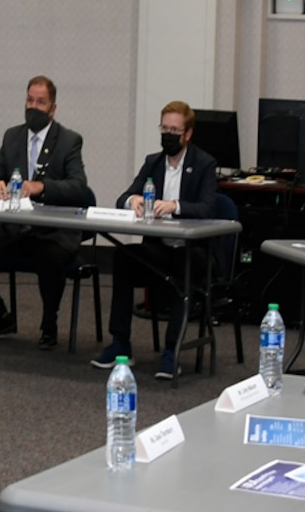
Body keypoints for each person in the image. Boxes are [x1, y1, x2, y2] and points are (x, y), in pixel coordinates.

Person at [0, 76, 93, 349]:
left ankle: (49, 325)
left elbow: (79, 188)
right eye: (29, 100)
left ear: (52, 109)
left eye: (40, 102)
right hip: (13, 230)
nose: (33, 106)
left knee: (51, 258)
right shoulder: (12, 137)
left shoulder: (68, 141)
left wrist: (40, 187)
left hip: (52, 233)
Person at [92, 101, 219, 381]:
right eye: (165, 129)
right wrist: (132, 200)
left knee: (180, 269)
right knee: (124, 257)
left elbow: (208, 208)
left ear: (188, 134)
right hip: (158, 248)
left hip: (192, 250)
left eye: (175, 130)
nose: (169, 135)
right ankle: (120, 342)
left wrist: (175, 206)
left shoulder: (204, 164)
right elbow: (122, 198)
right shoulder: (153, 163)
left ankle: (172, 350)